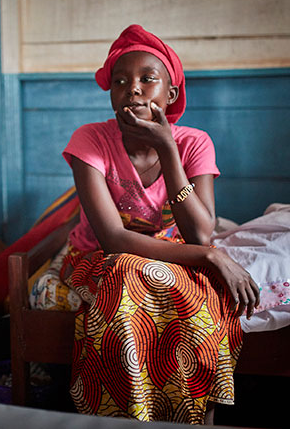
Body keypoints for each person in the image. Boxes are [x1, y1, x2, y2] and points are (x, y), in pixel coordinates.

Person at [60, 25, 260, 425]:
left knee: (204, 294)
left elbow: (201, 231)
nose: (133, 89)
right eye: (120, 81)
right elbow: (113, 240)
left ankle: (194, 416)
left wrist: (167, 148)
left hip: (174, 255)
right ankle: (129, 416)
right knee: (124, 272)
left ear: (170, 95)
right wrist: (208, 256)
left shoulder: (193, 143)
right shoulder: (90, 140)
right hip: (99, 258)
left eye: (147, 80)